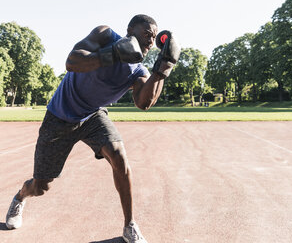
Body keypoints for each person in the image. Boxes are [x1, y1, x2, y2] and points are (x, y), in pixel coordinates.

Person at [5, 14, 180, 243]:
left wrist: (163, 69)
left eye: (155, 38)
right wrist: (114, 54)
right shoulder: (105, 35)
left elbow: (144, 102)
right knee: (41, 186)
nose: (150, 41)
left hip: (92, 115)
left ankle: (129, 225)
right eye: (147, 34)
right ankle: (19, 197)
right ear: (130, 30)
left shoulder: (139, 71)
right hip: (60, 115)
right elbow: (72, 62)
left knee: (119, 157)